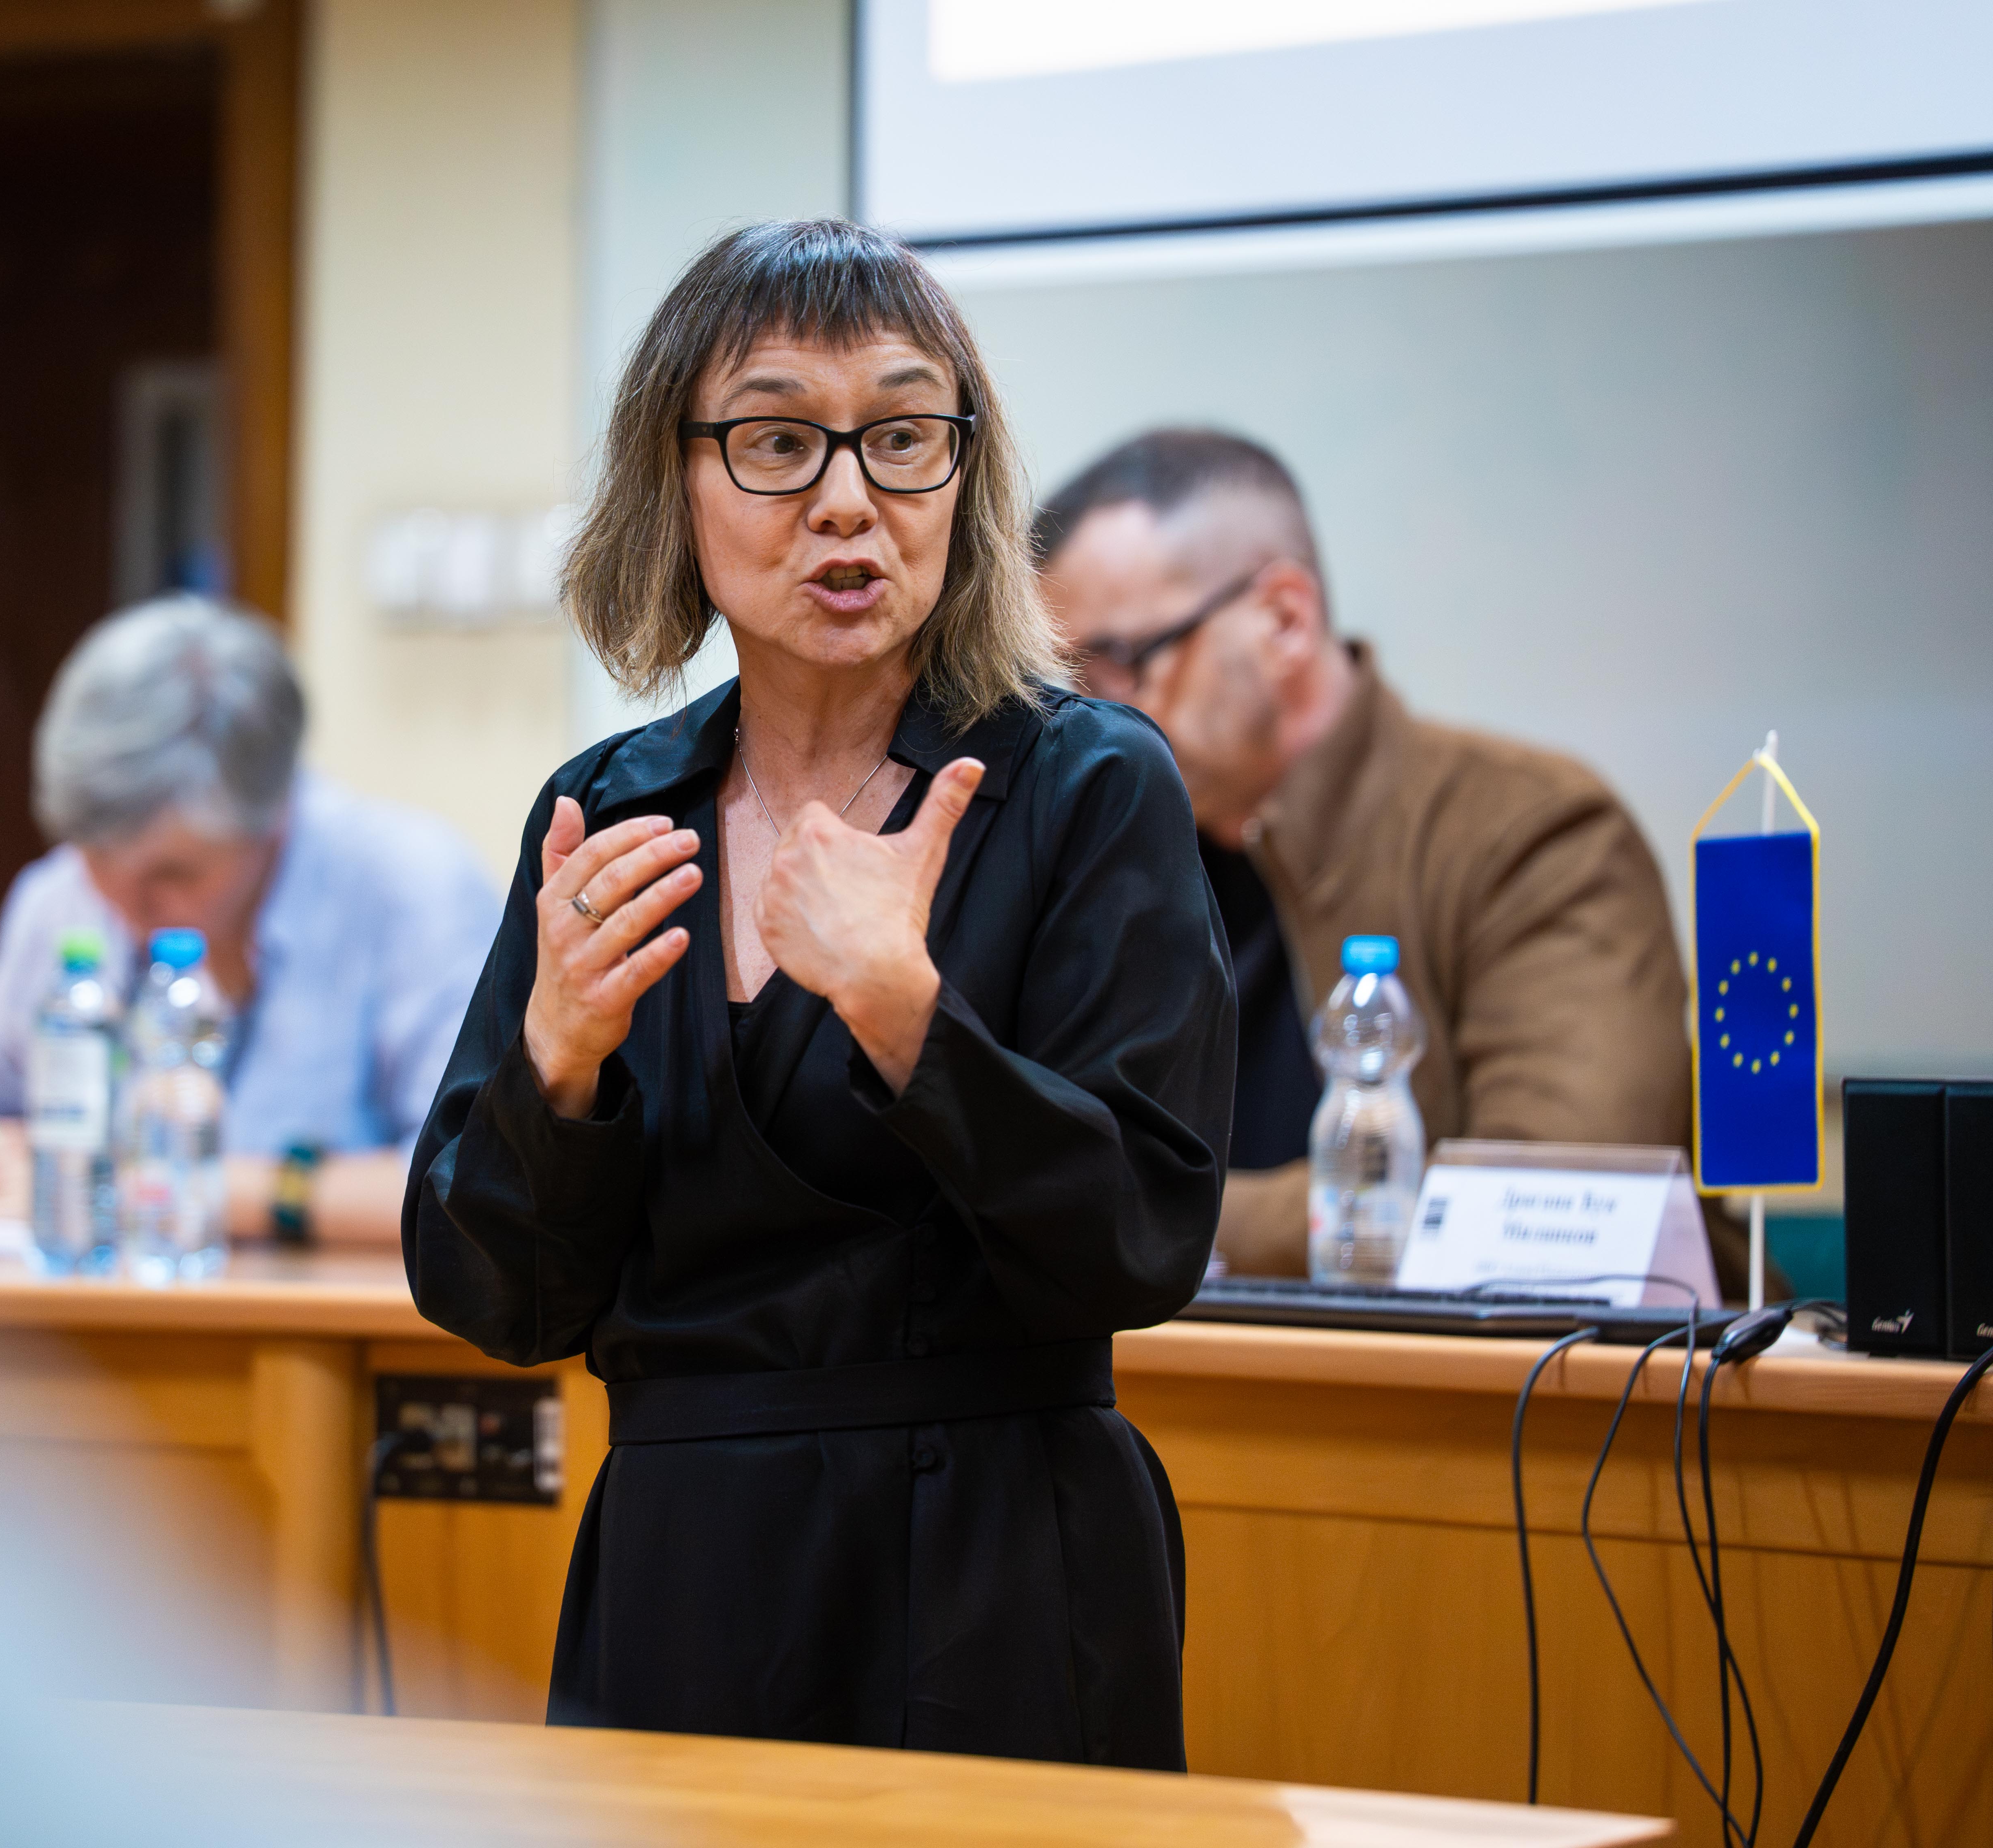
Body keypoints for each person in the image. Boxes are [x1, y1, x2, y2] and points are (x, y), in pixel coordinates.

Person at [404, 222, 1233, 1765]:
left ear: (965, 476)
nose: (848, 500)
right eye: (779, 442)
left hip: (996, 1565)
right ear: (676, 483)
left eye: (903, 438)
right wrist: (559, 1064)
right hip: (681, 1570)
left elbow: (1143, 1239)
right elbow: (493, 1299)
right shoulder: (612, 808)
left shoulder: (1086, 782)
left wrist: (907, 1016)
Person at [1032, 427, 1747, 1287]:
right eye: (1069, 688)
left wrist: (1148, 1215)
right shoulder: (1107, 855)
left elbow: (1554, 1203)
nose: (1092, 722)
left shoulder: (1535, 833)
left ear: (1285, 621)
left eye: (1121, 665)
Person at [0, 597, 499, 1246]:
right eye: (98, 860)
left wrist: (168, 1189)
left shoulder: (412, 889)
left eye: (174, 876)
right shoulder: (61, 896)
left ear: (275, 815)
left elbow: (477, 1186)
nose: (127, 910)